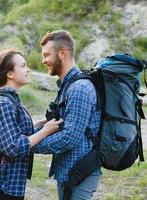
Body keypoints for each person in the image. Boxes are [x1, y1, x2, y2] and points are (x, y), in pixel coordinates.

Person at [0, 49, 63, 200]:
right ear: (10, 74)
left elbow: (11, 132)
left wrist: (40, 125)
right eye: (23, 66)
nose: (28, 69)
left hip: (10, 184)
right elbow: (12, 146)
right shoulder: (4, 103)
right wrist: (44, 132)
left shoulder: (9, 99)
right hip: (5, 186)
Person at [32, 30, 101, 200]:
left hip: (80, 173)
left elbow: (69, 137)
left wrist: (27, 145)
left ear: (63, 53)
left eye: (47, 54)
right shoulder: (67, 85)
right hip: (69, 171)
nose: (43, 60)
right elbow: (60, 125)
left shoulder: (79, 89)